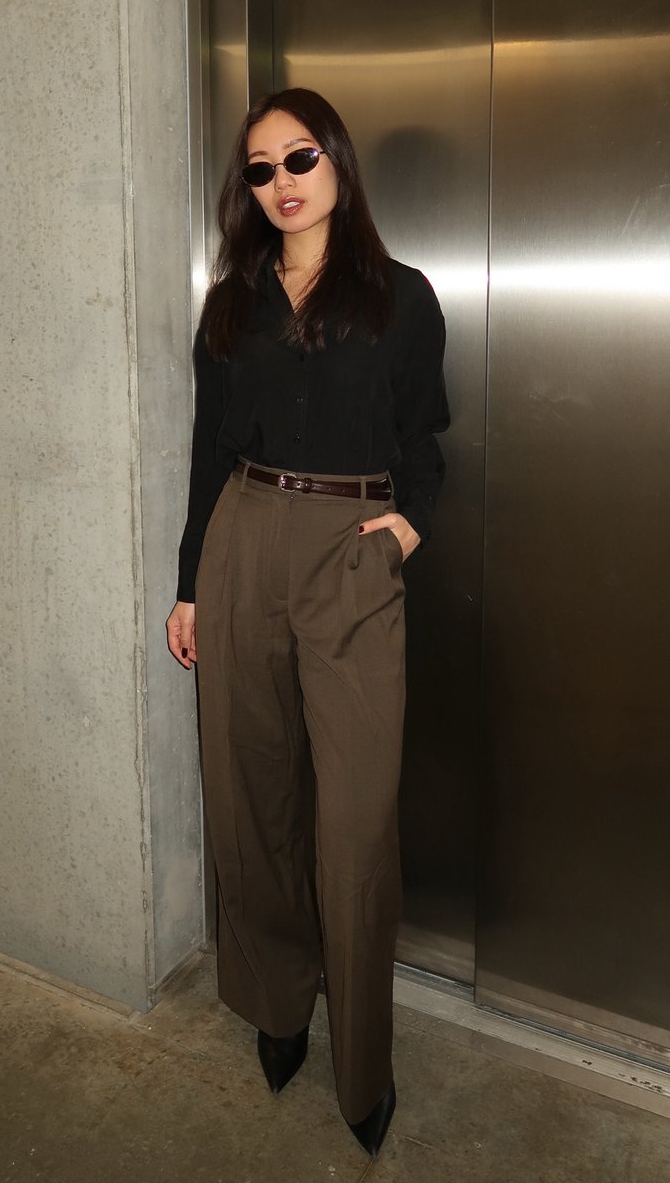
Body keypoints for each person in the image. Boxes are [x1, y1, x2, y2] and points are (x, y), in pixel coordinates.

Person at [166, 88, 449, 1158]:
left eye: (299, 158)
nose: (281, 182)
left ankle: (363, 1060)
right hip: (243, 536)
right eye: (260, 168)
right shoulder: (230, 305)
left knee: (354, 821)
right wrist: (191, 584)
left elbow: (424, 440)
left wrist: (406, 530)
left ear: (335, 161)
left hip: (349, 549)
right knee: (253, 793)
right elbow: (207, 450)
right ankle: (278, 1003)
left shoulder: (400, 297)